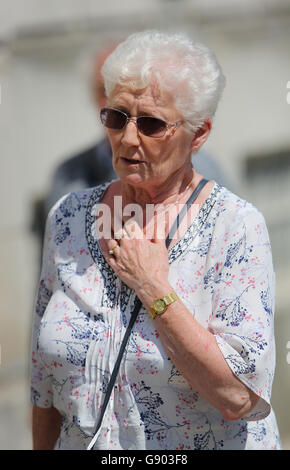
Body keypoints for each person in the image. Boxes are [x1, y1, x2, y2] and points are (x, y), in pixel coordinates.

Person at [30, 30, 281, 450]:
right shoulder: (68, 217)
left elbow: (239, 397)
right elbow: (43, 381)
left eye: (151, 123)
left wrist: (153, 289)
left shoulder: (236, 228)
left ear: (198, 135)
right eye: (116, 117)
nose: (128, 139)